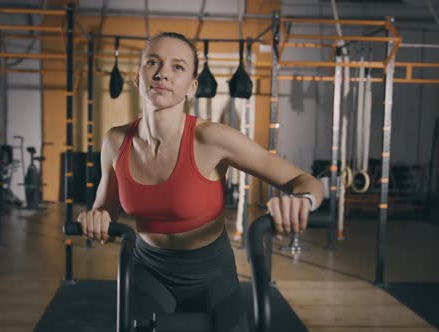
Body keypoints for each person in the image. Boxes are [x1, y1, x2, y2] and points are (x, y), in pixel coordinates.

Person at [77, 32, 324, 331]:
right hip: (147, 268)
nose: (162, 73)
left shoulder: (211, 138)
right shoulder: (115, 141)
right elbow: (105, 209)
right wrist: (96, 220)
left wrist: (302, 201)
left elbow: (304, 181)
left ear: (192, 86)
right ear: (137, 78)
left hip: (212, 274)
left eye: (177, 67)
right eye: (152, 62)